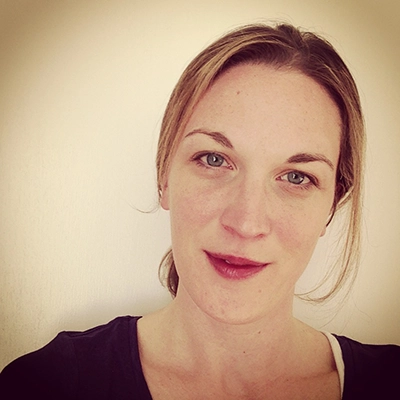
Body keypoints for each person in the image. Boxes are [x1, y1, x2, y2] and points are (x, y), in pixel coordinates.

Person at [1, 22, 399, 400]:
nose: (246, 223)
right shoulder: (46, 384)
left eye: (296, 178)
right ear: (164, 175)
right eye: (213, 159)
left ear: (332, 206)